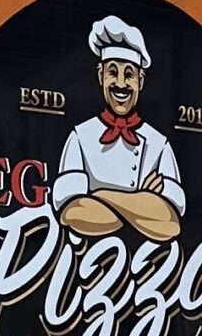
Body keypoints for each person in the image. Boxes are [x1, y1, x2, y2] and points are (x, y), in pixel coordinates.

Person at [51, 17, 184, 243]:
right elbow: (71, 214)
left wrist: (100, 196)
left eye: (129, 75)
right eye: (113, 72)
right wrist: (143, 202)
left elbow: (170, 224)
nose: (121, 84)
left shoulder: (159, 144)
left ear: (140, 81)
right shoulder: (80, 137)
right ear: (100, 76)